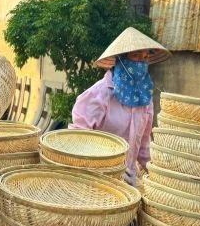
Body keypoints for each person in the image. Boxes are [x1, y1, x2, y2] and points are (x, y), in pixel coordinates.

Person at [69, 27, 170, 186]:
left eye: (144, 57)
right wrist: (106, 170)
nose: (141, 62)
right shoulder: (99, 95)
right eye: (135, 56)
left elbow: (143, 147)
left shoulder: (144, 99)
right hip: (94, 181)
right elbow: (77, 142)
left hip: (128, 183)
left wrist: (162, 177)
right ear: (121, 60)